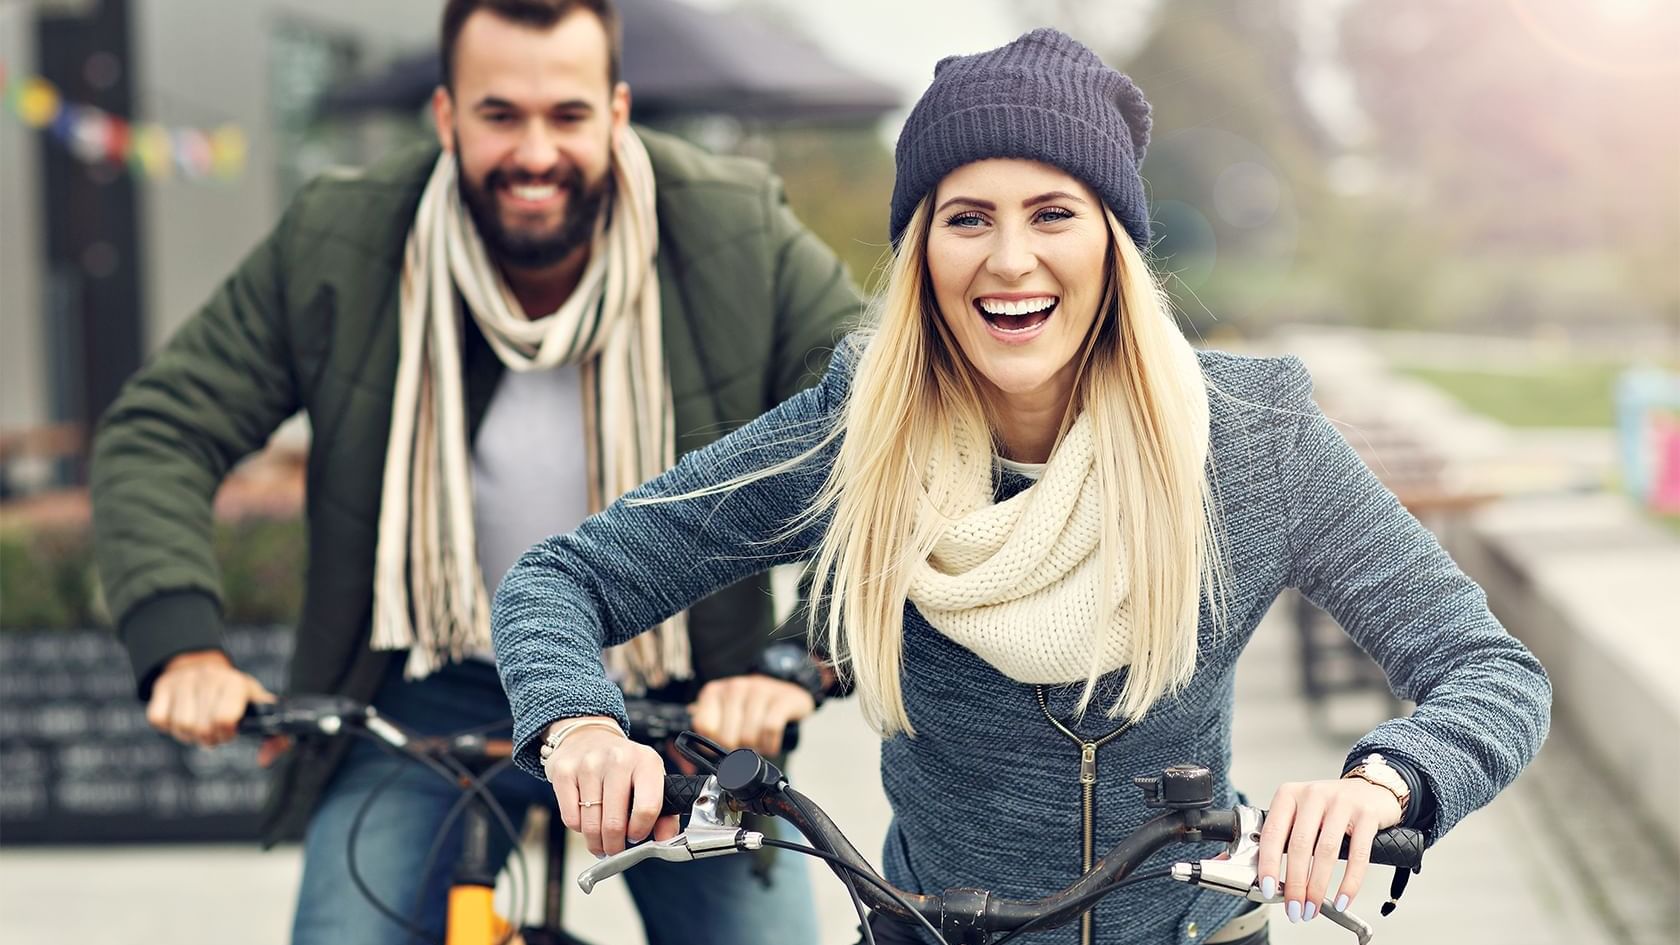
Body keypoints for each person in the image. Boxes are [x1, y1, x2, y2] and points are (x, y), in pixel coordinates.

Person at [490, 27, 1553, 945]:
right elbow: (563, 579)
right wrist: (580, 725)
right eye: (967, 218)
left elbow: (1490, 670)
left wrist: (1384, 781)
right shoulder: (856, 437)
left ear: (1114, 245)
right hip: (928, 921)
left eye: (1053, 214)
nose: (1009, 260)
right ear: (921, 251)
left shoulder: (1252, 440)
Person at [88, 1, 860, 942]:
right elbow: (162, 426)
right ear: (447, 117)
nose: (536, 151)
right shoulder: (341, 237)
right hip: (434, 682)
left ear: (617, 112)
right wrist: (182, 643)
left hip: (681, 690)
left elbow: (884, 441)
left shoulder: (739, 232)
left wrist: (792, 659)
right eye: (501, 115)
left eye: (567, 115)